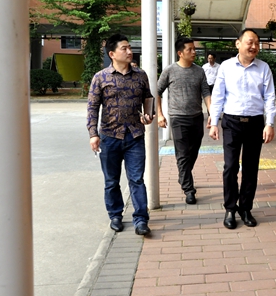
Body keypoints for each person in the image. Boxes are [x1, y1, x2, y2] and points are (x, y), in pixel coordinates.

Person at [87, 34, 154, 236]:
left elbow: (148, 98)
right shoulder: (100, 77)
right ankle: (115, 215)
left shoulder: (140, 75)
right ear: (112, 54)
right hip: (109, 137)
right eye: (124, 48)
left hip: (135, 136)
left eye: (129, 47)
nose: (129, 51)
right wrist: (93, 134)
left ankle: (141, 219)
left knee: (137, 179)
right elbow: (92, 107)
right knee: (111, 181)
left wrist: (149, 115)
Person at [209, 29, 275, 229]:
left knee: (250, 168)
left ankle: (246, 208)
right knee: (230, 167)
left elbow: (269, 97)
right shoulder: (226, 67)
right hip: (231, 122)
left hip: (255, 123)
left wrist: (269, 124)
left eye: (257, 43)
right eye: (249, 42)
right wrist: (214, 122)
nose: (254, 46)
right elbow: (218, 95)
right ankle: (230, 208)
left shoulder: (263, 68)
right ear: (238, 44)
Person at [157, 37, 212, 205]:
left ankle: (183, 175)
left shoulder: (199, 71)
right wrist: (160, 115)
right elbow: (157, 92)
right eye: (190, 49)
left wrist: (212, 113)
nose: (194, 52)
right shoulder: (170, 71)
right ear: (180, 53)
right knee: (182, 154)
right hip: (178, 118)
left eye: (194, 49)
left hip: (197, 117)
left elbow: (206, 93)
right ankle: (189, 189)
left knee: (193, 152)